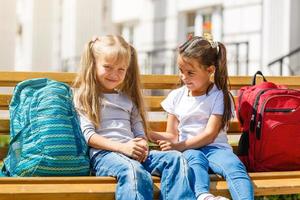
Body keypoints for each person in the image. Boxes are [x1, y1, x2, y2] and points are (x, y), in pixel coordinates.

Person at [73, 35, 195, 200]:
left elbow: (138, 130)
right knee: (133, 171)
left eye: (121, 69)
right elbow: (88, 136)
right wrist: (122, 148)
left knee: (176, 159)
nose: (114, 74)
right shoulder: (85, 96)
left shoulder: (127, 99)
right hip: (105, 155)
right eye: (108, 67)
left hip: (134, 152)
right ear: (93, 64)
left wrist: (142, 143)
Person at [149, 34, 254, 200]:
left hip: (216, 150)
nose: (184, 77)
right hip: (189, 151)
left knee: (234, 167)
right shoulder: (176, 96)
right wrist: (147, 133)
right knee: (194, 161)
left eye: (190, 72)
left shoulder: (219, 95)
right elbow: (172, 135)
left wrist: (178, 147)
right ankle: (204, 196)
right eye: (181, 71)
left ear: (210, 70)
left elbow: (210, 135)